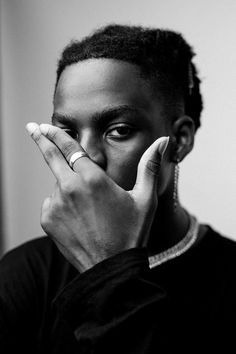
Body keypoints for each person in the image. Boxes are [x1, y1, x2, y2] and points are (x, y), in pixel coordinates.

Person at [0, 24, 235, 353]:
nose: (85, 156)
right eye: (67, 131)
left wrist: (109, 276)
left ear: (180, 140)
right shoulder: (25, 274)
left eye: (119, 130)